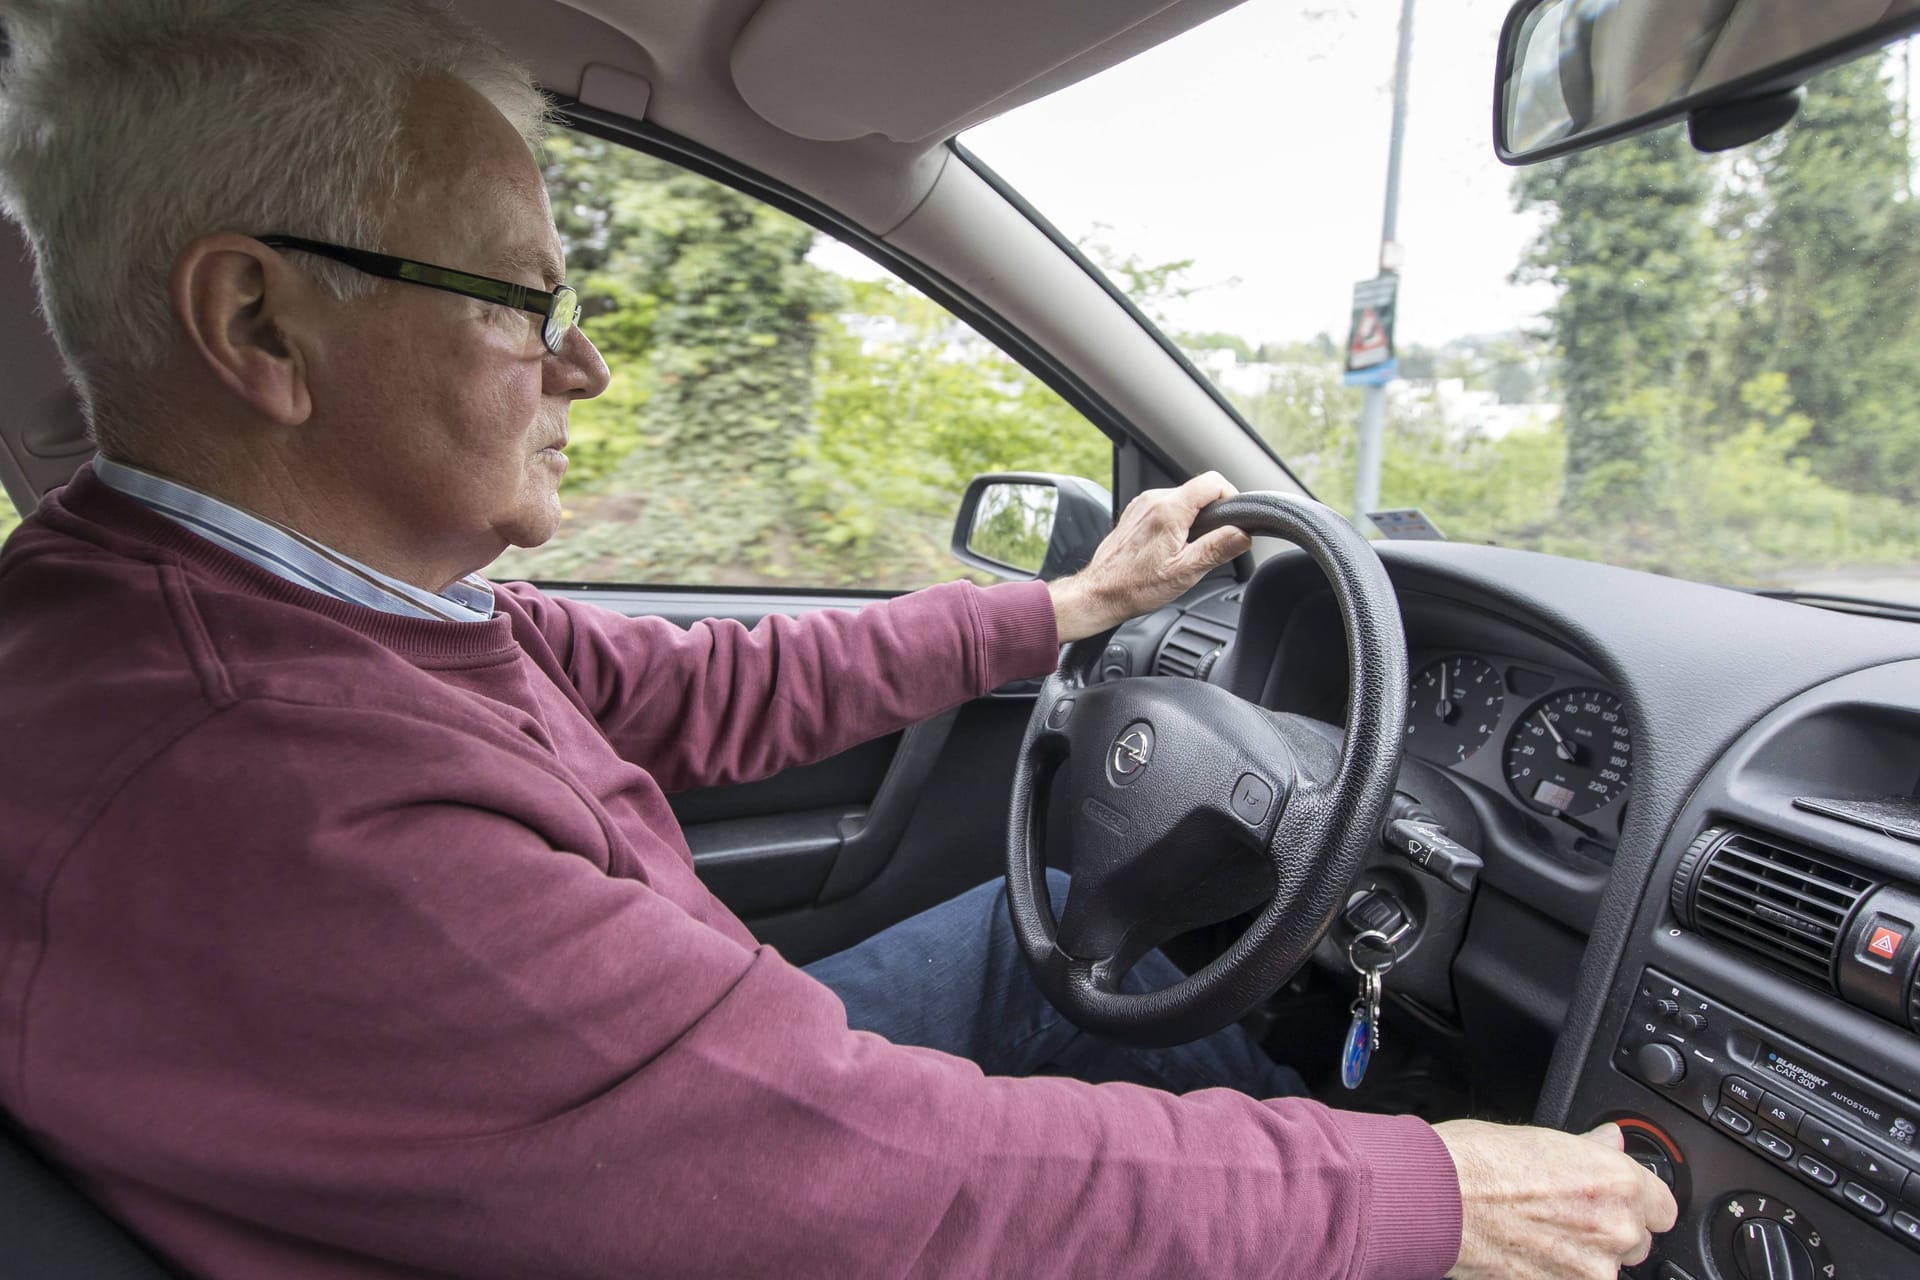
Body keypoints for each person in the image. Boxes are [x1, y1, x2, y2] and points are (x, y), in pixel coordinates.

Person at [0, 1, 1676, 1277]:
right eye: (521, 303)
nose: (579, 368)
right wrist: (1440, 1196)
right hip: (701, 1171)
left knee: (1081, 951)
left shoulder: (283, 607)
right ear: (260, 324)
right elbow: (872, 1183)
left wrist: (1068, 609)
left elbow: (691, 687)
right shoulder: (268, 783)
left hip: (664, 1101)